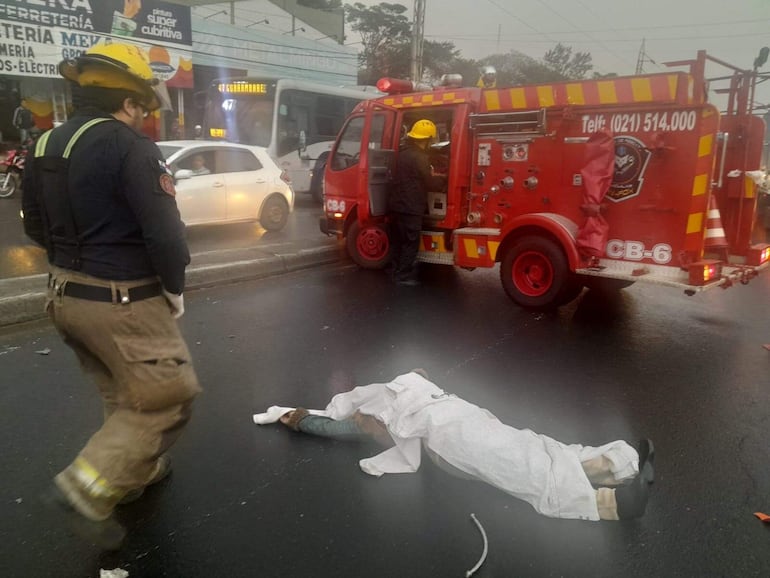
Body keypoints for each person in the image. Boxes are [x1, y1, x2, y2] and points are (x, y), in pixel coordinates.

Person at [22, 42, 201, 549]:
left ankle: (130, 474)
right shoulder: (131, 148)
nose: (144, 117)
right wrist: (173, 289)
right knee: (168, 398)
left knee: (123, 393)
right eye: (143, 107)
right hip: (122, 301)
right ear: (129, 102)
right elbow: (166, 236)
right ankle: (88, 483)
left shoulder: (45, 145)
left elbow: (33, 223)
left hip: (64, 296)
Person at [254, 370, 655, 521]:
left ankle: (614, 464)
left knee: (529, 443)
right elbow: (332, 424)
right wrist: (294, 417)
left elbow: (355, 402)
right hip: (445, 438)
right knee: (515, 461)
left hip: (457, 413)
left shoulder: (371, 395)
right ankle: (611, 505)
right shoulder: (359, 420)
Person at [388, 119, 446, 286]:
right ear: (427, 139)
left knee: (398, 240)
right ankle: (403, 276)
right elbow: (429, 182)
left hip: (396, 204)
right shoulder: (420, 158)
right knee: (411, 241)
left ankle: (394, 271)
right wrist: (444, 181)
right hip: (411, 206)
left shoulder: (402, 153)